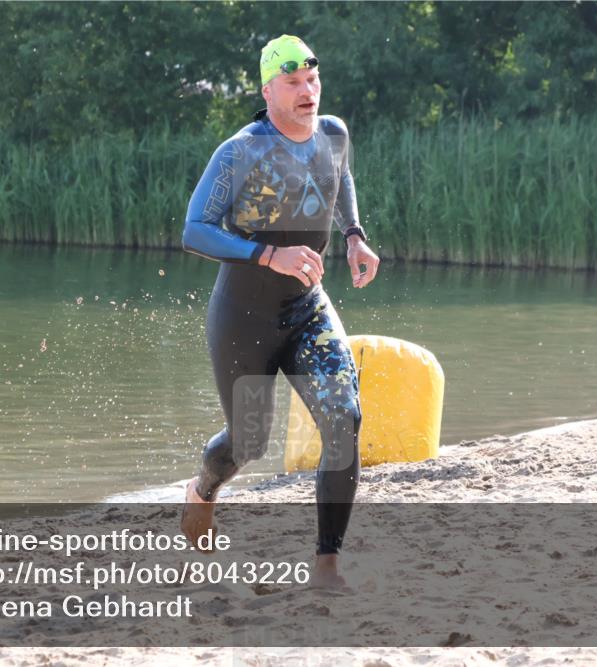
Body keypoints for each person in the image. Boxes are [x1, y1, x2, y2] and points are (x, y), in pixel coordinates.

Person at [180, 34, 380, 589]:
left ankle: (326, 566)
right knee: (248, 443)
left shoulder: (334, 134)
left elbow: (341, 179)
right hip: (243, 316)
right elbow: (194, 229)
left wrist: (354, 235)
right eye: (292, 83)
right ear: (268, 90)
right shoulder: (241, 150)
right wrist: (270, 254)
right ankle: (202, 489)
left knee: (344, 419)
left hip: (308, 309)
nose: (306, 91)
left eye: (312, 80)